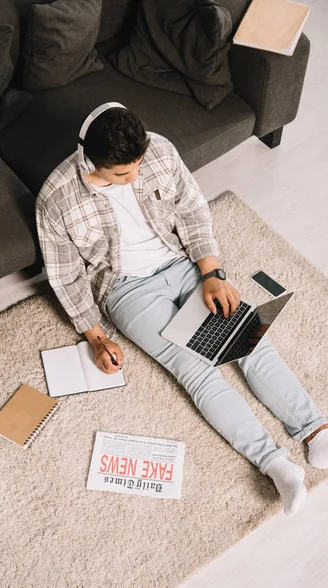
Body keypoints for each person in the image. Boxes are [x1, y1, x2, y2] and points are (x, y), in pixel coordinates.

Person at [36, 102, 328, 516]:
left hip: (183, 263)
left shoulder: (159, 149)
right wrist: (96, 336)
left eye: (137, 165)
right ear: (89, 159)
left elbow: (192, 209)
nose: (133, 177)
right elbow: (65, 276)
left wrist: (212, 271)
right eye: (122, 173)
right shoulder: (57, 197)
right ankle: (276, 465)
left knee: (247, 340)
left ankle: (316, 429)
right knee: (195, 368)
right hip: (125, 289)